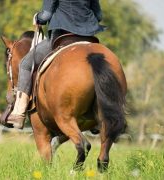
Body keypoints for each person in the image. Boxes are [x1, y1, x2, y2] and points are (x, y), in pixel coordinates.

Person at [7, 0, 105, 129]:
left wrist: (37, 17)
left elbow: (46, 15)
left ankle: (19, 113)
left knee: (25, 64)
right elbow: (99, 16)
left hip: (62, 36)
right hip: (88, 38)